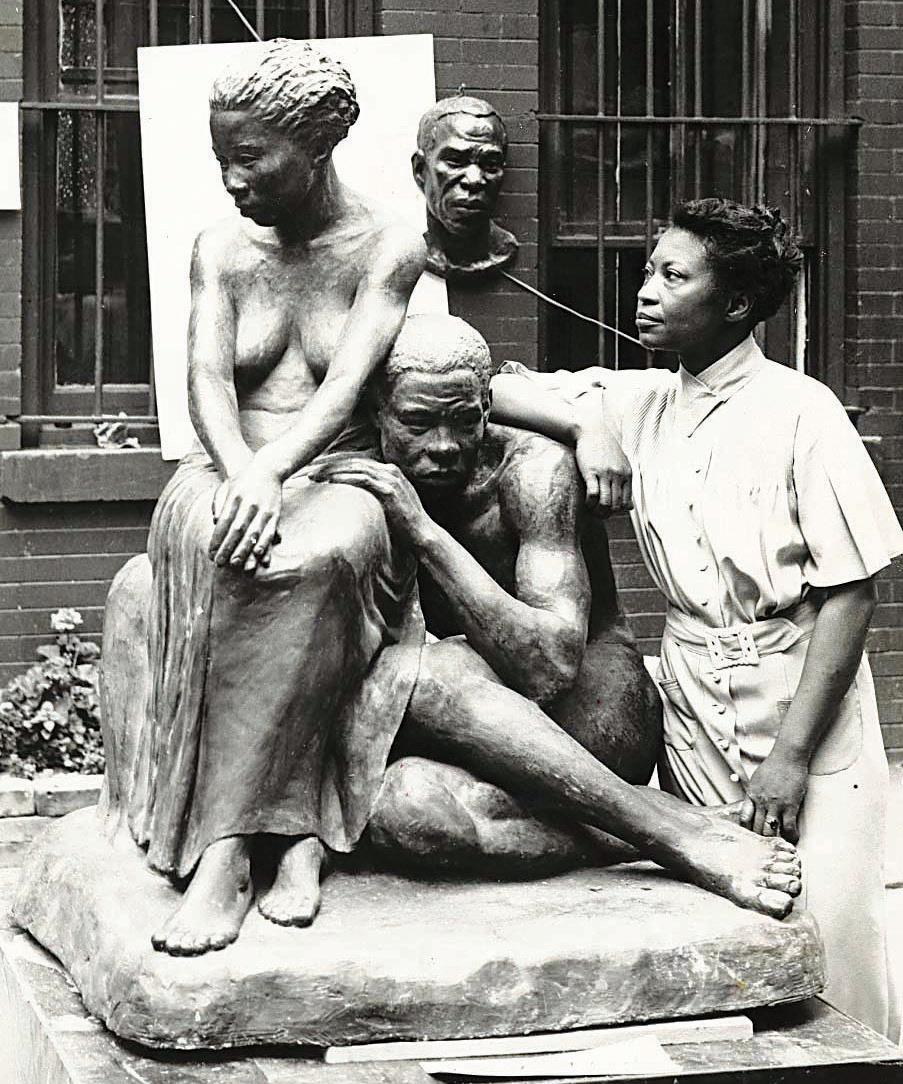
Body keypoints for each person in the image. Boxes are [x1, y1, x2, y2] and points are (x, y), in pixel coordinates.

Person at [490, 198, 903, 1037]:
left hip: (801, 696)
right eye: (649, 269)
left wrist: (790, 759)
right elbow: (480, 387)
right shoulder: (636, 400)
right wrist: (583, 423)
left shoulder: (802, 410)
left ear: (736, 303)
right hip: (692, 702)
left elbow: (851, 595)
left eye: (673, 276)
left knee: (831, 942)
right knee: (723, 934)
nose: (645, 290)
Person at [312, 313, 803, 916]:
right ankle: (663, 823)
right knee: (405, 810)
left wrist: (426, 535)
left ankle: (677, 838)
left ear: (486, 408)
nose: (443, 446)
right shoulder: (355, 463)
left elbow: (550, 665)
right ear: (376, 412)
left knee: (423, 673)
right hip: (473, 717)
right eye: (417, 424)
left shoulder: (533, 473)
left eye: (464, 421)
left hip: (593, 709)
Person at [116, 39, 426, 957]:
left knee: (314, 559)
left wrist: (277, 470)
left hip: (336, 470)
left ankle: (262, 840)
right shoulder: (220, 248)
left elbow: (347, 387)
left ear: (318, 145)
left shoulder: (388, 245)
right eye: (221, 157)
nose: (231, 179)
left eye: (250, 158)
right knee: (230, 546)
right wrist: (244, 470)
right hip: (221, 465)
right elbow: (206, 379)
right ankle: (258, 845)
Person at [412, 95, 518, 278]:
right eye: (455, 161)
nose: (474, 180)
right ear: (420, 170)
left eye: (490, 164)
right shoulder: (406, 252)